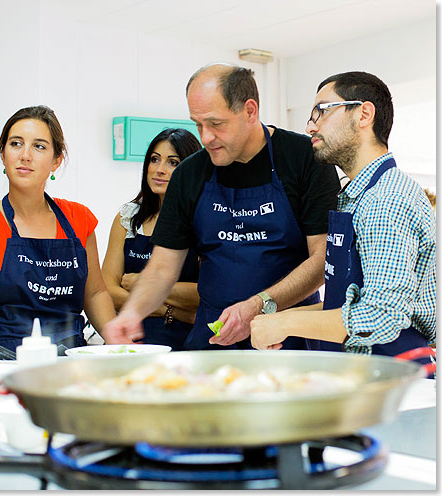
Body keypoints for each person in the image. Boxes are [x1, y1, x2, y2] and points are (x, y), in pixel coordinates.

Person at [103, 64, 340, 350]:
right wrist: (132, 313)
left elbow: (321, 259)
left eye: (216, 124)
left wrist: (259, 305)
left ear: (250, 111)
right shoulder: (190, 174)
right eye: (197, 124)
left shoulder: (305, 159)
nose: (205, 138)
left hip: (287, 339)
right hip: (213, 339)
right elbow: (163, 268)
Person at [250, 71, 436, 355]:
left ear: (363, 114)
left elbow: (381, 316)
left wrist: (285, 322)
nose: (311, 127)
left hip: (390, 378)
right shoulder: (354, 197)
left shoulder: (387, 199)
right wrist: (275, 319)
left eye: (321, 111)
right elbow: (348, 301)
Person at [0, 106, 116, 359]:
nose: (25, 155)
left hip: (69, 361)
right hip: (0, 358)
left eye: (39, 146)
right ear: (3, 154)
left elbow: (95, 293)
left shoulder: (79, 219)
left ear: (57, 160)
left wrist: (118, 342)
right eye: (16, 144)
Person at [102, 129, 201, 350]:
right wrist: (171, 311)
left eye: (172, 162)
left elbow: (203, 294)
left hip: (187, 344)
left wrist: (139, 284)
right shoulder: (127, 218)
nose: (159, 170)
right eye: (155, 159)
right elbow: (108, 290)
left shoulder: (203, 222)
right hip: (131, 341)